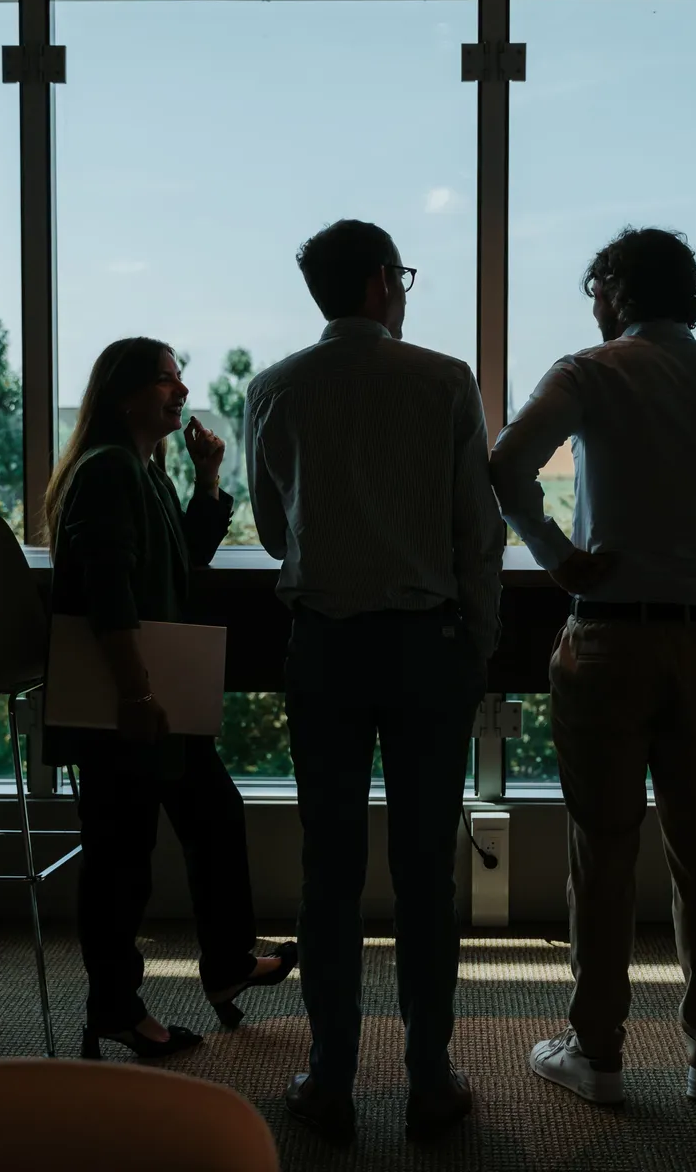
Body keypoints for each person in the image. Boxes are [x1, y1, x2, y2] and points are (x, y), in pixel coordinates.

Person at [488, 227, 696, 1107]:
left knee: (604, 848)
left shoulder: (588, 372)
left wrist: (554, 551)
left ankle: (600, 1053)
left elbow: (506, 464)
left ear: (615, 293)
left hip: (608, 637)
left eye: (597, 290)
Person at [244, 219, 505, 1144]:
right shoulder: (443, 381)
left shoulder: (273, 388)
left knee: (330, 874)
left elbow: (277, 532)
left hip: (324, 647)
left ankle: (330, 1080)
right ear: (381, 285)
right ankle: (429, 1081)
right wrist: (478, 643)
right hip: (428, 648)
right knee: (425, 874)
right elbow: (477, 529)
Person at [43, 336, 296, 1062]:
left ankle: (224, 963)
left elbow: (178, 563)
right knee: (122, 859)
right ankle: (117, 1008)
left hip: (151, 700)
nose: (180, 392)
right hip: (128, 701)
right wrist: (136, 690)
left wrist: (208, 478)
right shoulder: (108, 473)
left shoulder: (139, 470)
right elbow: (107, 590)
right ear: (126, 394)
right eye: (166, 381)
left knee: (210, 818)